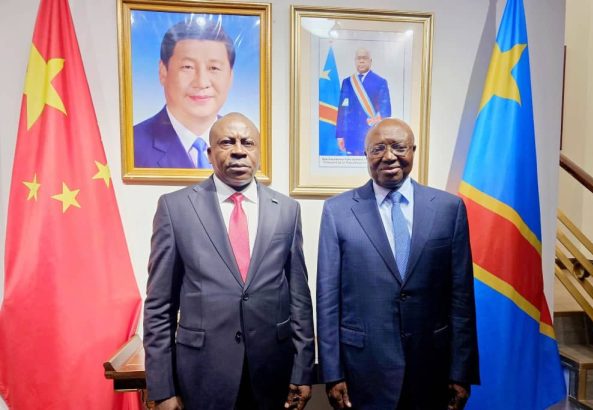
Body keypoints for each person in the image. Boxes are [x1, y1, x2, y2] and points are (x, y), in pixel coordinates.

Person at [143, 113, 315, 409]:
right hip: (202, 373)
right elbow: (160, 304)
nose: (238, 150)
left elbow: (299, 298)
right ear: (210, 154)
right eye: (227, 142)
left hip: (272, 371)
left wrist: (302, 370)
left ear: (259, 152)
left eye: (247, 142)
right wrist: (162, 388)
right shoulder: (175, 208)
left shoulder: (287, 210)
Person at [317, 118, 479, 409]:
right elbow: (327, 300)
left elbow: (462, 298)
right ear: (366, 155)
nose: (389, 156)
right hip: (362, 369)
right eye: (378, 148)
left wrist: (461, 371)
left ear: (413, 150)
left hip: (433, 368)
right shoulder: (337, 211)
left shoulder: (449, 209)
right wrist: (332, 373)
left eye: (398, 147)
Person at [134, 20, 235, 169]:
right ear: (163, 71)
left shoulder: (250, 146)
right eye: (188, 67)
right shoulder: (133, 145)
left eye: (214, 68)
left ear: (230, 76)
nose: (201, 82)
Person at [335, 48, 391, 156]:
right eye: (358, 58)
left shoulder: (380, 81)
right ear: (355, 61)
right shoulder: (347, 82)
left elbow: (386, 111)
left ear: (370, 61)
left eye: (364, 58)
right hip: (351, 137)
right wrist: (340, 135)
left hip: (371, 135)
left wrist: (378, 120)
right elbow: (342, 111)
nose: (361, 61)